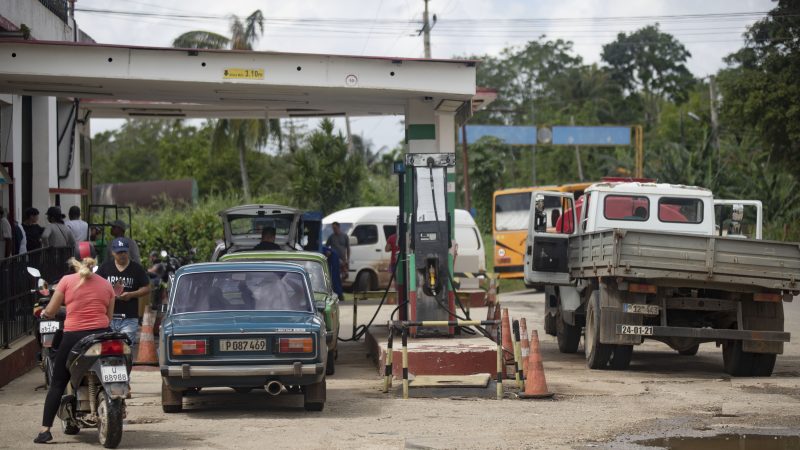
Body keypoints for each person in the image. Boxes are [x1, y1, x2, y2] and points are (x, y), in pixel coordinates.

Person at [33, 257, 115, 444]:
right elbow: (108, 317)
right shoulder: (106, 285)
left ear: (74, 261)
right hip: (102, 335)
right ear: (95, 261)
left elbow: (52, 311)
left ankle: (45, 430)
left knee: (58, 382)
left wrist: (46, 313)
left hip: (74, 337)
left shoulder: (66, 281)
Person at [96, 238, 150, 346]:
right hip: (108, 317)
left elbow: (147, 288)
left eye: (124, 252)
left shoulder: (136, 268)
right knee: (108, 349)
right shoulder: (105, 267)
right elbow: (95, 285)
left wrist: (131, 294)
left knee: (125, 349)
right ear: (113, 252)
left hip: (129, 318)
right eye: (119, 252)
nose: (122, 255)